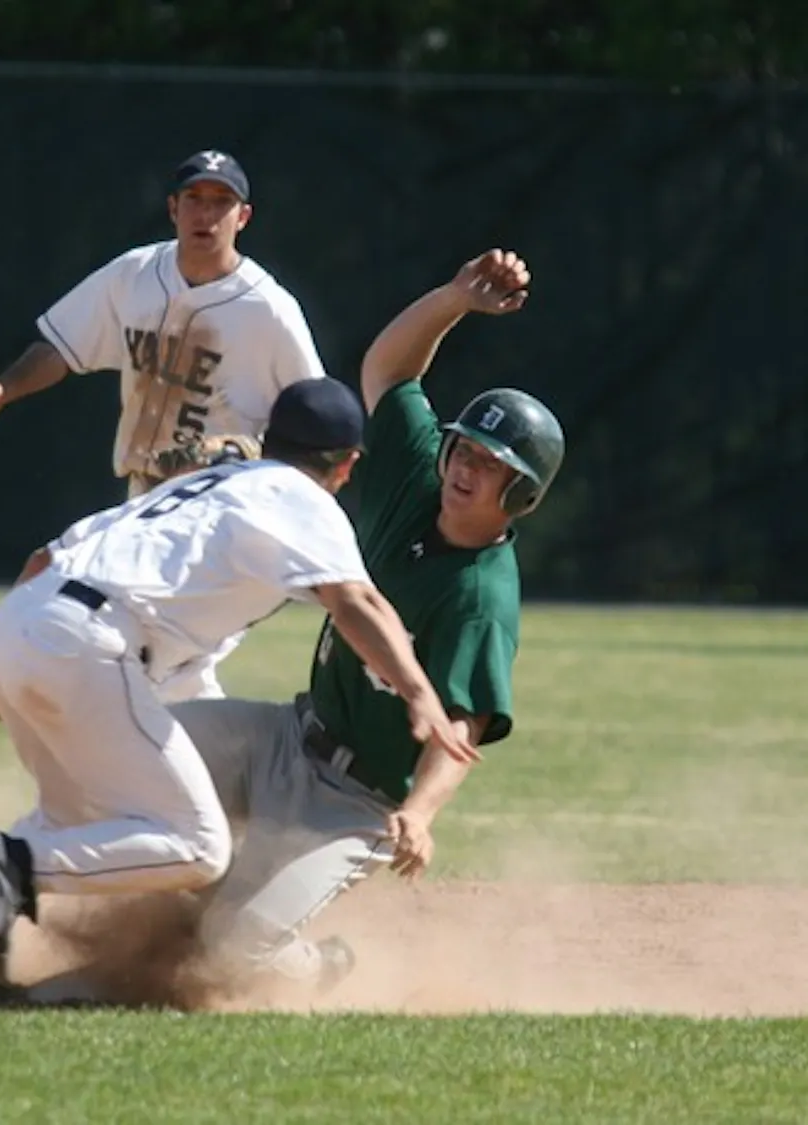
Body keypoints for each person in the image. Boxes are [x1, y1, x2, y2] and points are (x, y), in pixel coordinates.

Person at [0, 377, 481, 1005]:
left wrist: (10, 650)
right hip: (88, 642)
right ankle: (7, 866)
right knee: (198, 847)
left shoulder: (203, 486)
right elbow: (357, 601)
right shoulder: (301, 498)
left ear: (270, 439)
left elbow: (43, 558)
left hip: (22, 622)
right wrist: (418, 692)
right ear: (346, 465)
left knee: (77, 819)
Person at [166, 248, 566, 993]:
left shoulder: (481, 596)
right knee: (143, 746)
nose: (465, 467)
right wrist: (454, 299)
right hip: (289, 737)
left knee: (228, 949)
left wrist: (420, 813)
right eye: (465, 448)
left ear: (521, 496)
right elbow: (389, 372)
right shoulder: (419, 481)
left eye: (491, 465)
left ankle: (323, 967)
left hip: (354, 805)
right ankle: (179, 889)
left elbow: (464, 724)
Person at [0, 149, 335, 701]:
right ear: (172, 208)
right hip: (146, 499)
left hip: (221, 516)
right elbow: (63, 346)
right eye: (194, 199)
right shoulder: (134, 275)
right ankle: (10, 665)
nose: (206, 214)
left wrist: (262, 467)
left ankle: (34, 684)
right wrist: (5, 387)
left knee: (149, 656)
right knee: (61, 575)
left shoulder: (269, 311)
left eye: (221, 202)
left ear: (243, 217)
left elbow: (319, 419)